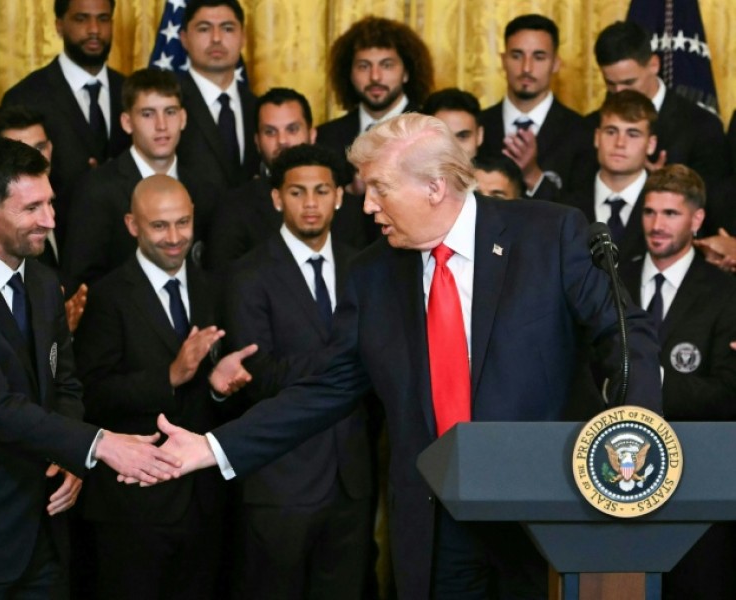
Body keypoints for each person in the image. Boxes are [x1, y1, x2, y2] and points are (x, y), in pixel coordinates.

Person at [151, 113, 662, 599]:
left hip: (541, 511)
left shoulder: (548, 235)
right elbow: (324, 389)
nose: (367, 206)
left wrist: (637, 439)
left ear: (435, 186)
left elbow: (625, 333)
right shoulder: (373, 274)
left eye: (380, 189)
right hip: (438, 522)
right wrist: (214, 448)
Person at [0, 138, 183, 598]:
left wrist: (73, 456)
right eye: (32, 207)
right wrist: (97, 445)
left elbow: (67, 384)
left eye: (50, 203)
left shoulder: (40, 278)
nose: (50, 220)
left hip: (47, 537)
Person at [72, 174, 255, 599]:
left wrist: (218, 388)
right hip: (133, 507)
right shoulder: (107, 296)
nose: (174, 238)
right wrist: (169, 376)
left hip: (206, 503)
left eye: (183, 223)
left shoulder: (215, 288)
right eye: (159, 226)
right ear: (132, 225)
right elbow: (90, 395)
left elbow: (220, 405)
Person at [223, 144, 375, 600]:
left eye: (321, 190)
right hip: (281, 480)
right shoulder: (247, 274)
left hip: (352, 479)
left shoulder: (367, 267)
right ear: (276, 198)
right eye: (297, 192)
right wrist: (352, 360)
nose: (310, 203)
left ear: (340, 196)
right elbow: (259, 375)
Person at [619, 164, 736, 599]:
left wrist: (649, 380)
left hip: (698, 480)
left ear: (697, 219)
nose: (656, 225)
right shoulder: (615, 282)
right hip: (618, 476)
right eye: (649, 213)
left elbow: (727, 395)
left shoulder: (725, 293)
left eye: (670, 214)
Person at [63, 68, 214, 292]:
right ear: (126, 122)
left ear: (183, 118)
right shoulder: (96, 190)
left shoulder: (205, 188)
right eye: (148, 114)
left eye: (170, 112)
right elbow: (83, 283)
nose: (161, 125)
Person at [1, 0, 130, 243]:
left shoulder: (130, 93)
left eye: (103, 19)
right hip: (54, 247)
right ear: (59, 25)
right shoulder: (26, 96)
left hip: (124, 249)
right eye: (81, 19)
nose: (94, 29)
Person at [206, 87, 371, 271]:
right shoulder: (234, 208)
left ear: (312, 134)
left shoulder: (347, 207)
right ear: (257, 142)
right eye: (270, 132)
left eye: (292, 129)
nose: (282, 140)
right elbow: (226, 284)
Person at [588, 21, 732, 189]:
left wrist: (663, 184)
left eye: (629, 82)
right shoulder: (590, 125)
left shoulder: (702, 127)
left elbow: (714, 206)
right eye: (610, 83)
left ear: (654, 65)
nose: (620, 92)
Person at [0, 104, 88, 333]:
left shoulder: (76, 199)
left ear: (51, 147)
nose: (35, 159)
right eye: (20, 151)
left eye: (40, 147)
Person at [478, 14, 594, 200]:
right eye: (517, 56)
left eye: (539, 57)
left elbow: (581, 215)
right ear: (503, 60)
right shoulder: (478, 125)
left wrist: (533, 175)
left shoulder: (581, 132)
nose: (526, 68)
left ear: (556, 63)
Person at [317, 16, 433, 162]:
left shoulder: (431, 129)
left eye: (387, 65)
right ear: (349, 74)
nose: (375, 77)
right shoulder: (326, 136)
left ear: (407, 73)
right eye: (364, 66)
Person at [562, 90, 657, 264]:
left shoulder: (667, 205)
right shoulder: (566, 204)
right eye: (611, 132)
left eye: (633, 134)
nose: (620, 143)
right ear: (597, 137)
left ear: (651, 144)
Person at [176, 0, 259, 190]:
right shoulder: (168, 105)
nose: (216, 38)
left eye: (228, 29)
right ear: (184, 39)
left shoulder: (256, 108)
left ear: (243, 38)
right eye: (204, 29)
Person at [422, 87, 483, 159]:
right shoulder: (408, 169)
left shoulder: (496, 169)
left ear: (479, 135)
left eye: (463, 136)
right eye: (443, 137)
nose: (454, 148)